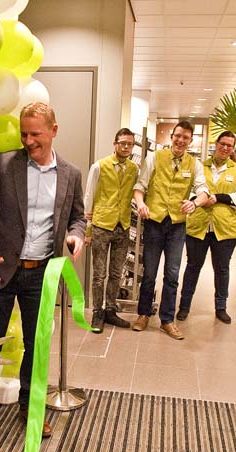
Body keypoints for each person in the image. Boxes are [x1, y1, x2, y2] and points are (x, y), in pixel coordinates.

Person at [0, 102, 86, 444]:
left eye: (35, 133)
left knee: (37, 347)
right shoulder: (3, 165)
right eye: (23, 133)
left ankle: (30, 406)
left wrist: (75, 235)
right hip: (0, 269)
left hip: (41, 274)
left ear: (54, 130)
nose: (28, 140)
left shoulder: (71, 174)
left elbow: (78, 216)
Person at [131, 121, 209, 340]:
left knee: (172, 274)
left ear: (190, 141)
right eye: (177, 136)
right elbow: (140, 187)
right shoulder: (154, 157)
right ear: (171, 137)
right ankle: (143, 314)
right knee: (149, 273)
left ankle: (167, 320)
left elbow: (203, 191)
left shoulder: (194, 164)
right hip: (155, 222)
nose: (180, 141)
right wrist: (141, 203)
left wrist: (195, 203)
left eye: (185, 137)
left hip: (177, 226)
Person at [176, 131, 236, 324]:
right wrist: (198, 200)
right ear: (216, 144)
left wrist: (219, 198)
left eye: (229, 146)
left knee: (222, 269)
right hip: (198, 225)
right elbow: (190, 188)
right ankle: (184, 306)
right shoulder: (200, 166)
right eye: (222, 144)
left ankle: (221, 307)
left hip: (225, 229)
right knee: (192, 267)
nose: (225, 148)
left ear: (233, 149)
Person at [83, 128, 139, 333]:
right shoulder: (99, 166)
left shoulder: (134, 169)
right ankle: (98, 312)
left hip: (123, 226)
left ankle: (110, 309)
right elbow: (89, 196)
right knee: (99, 274)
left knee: (117, 273)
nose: (126, 147)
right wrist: (87, 230)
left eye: (129, 144)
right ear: (115, 144)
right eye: (122, 143)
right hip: (101, 225)